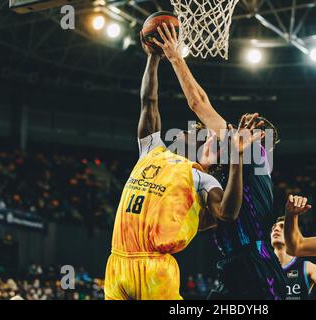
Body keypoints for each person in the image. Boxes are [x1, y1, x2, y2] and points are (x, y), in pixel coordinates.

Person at [103, 36, 263, 300]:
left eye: (193, 134)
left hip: (155, 268)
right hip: (117, 261)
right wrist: (153, 58)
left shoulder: (201, 177)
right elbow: (148, 102)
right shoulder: (151, 149)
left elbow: (227, 213)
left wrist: (235, 158)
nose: (185, 133)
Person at [154, 23, 285, 299]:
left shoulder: (256, 156)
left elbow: (199, 104)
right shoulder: (228, 176)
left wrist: (175, 58)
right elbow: (209, 223)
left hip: (257, 267)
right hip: (231, 266)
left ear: (259, 137)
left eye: (252, 126)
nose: (240, 125)